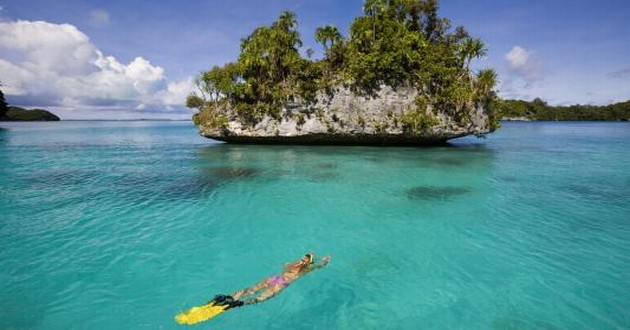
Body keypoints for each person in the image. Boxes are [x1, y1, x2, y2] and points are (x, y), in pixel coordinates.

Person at [222, 253, 331, 307]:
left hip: (276, 279)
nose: (302, 261)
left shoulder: (295, 264)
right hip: (280, 282)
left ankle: (233, 299)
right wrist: (324, 261)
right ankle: (235, 301)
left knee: (254, 292)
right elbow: (318, 266)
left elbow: (318, 265)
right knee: (260, 297)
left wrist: (324, 261)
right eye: (303, 259)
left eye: (304, 260)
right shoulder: (304, 269)